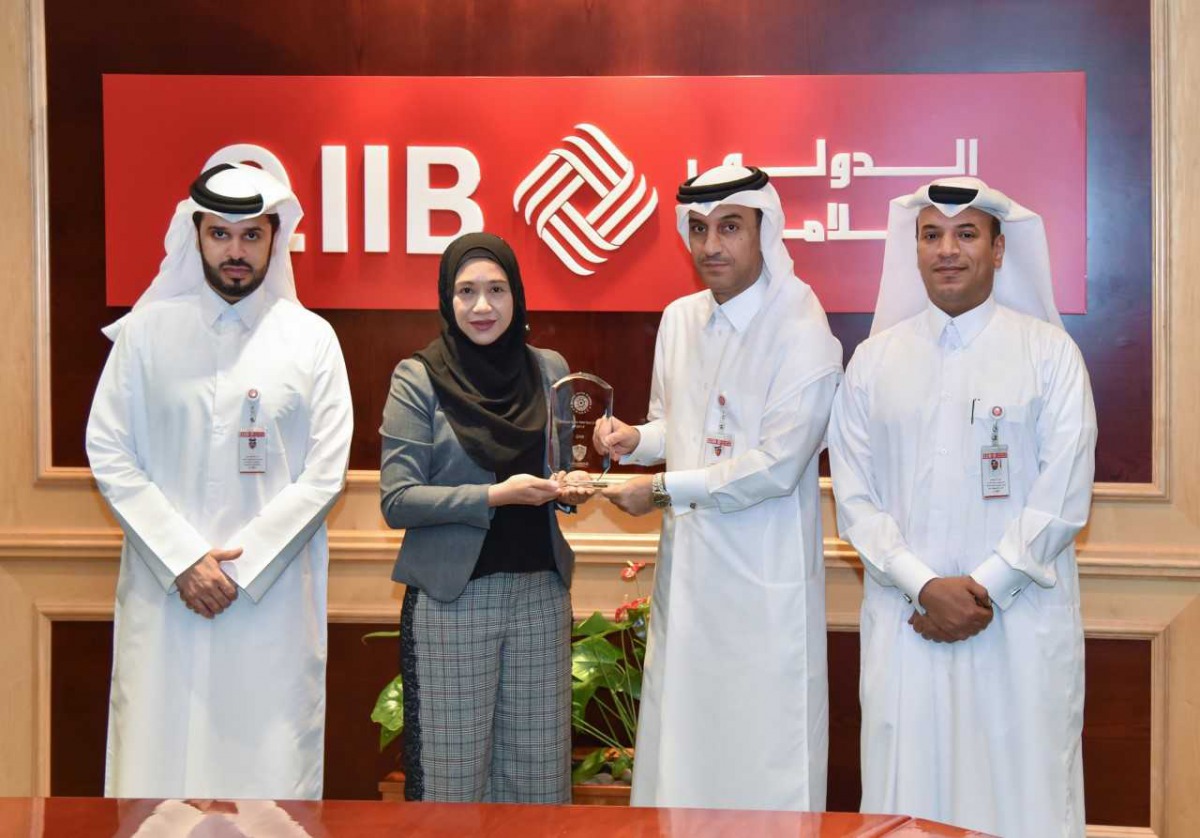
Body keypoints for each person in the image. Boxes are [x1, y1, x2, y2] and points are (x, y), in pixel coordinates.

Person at [828, 177, 1096, 837]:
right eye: (932, 235)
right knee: (908, 797)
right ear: (914, 249)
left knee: (1022, 794)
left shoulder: (1049, 355)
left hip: (1018, 628)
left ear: (1000, 250)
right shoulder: (872, 362)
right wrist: (924, 585)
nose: (948, 250)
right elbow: (855, 497)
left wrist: (982, 589)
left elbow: (1063, 493)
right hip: (907, 622)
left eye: (966, 234)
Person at [86, 161, 353, 799]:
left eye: (251, 235)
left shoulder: (312, 340)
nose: (236, 251)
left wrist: (238, 566)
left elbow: (326, 472)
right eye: (220, 234)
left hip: (270, 603)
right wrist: (184, 560)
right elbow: (108, 448)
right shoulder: (147, 334)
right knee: (156, 779)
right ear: (196, 234)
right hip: (167, 598)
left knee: (268, 784)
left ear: (273, 238)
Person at [594, 165, 843, 810]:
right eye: (698, 229)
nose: (711, 246)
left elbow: (776, 465)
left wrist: (662, 490)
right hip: (691, 578)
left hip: (764, 587)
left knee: (763, 755)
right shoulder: (679, 319)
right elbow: (673, 425)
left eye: (730, 227)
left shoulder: (802, 325)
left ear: (766, 229)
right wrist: (634, 440)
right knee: (685, 748)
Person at [379, 232, 593, 803]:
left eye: (496, 289)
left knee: (539, 780)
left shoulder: (550, 370)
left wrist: (572, 487)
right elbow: (396, 499)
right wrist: (493, 497)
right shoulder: (417, 377)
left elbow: (562, 470)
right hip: (452, 602)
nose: (482, 306)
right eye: (466, 291)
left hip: (541, 597)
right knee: (452, 781)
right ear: (447, 299)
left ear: (517, 295)